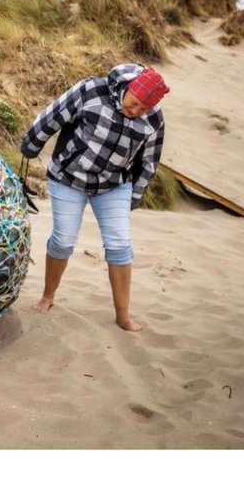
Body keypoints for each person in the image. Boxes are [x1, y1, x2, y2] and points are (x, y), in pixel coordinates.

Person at [20, 64, 169, 331]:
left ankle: (123, 316)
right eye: (133, 103)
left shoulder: (154, 120)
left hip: (114, 185)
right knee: (63, 240)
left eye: (142, 110)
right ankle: (48, 296)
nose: (134, 112)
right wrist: (31, 145)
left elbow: (149, 162)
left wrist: (136, 195)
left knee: (120, 245)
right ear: (129, 89)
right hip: (69, 178)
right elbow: (53, 115)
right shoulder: (91, 91)